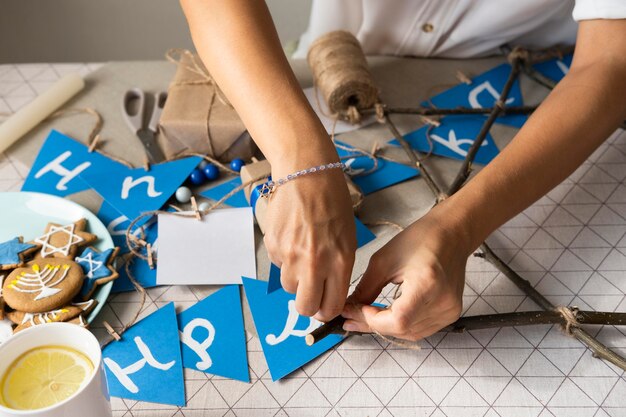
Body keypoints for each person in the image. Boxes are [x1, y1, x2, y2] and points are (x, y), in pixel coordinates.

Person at [180, 0, 626, 341]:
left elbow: (610, 61)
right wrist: (300, 157)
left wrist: (458, 225)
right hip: (331, 63)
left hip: (525, 89)